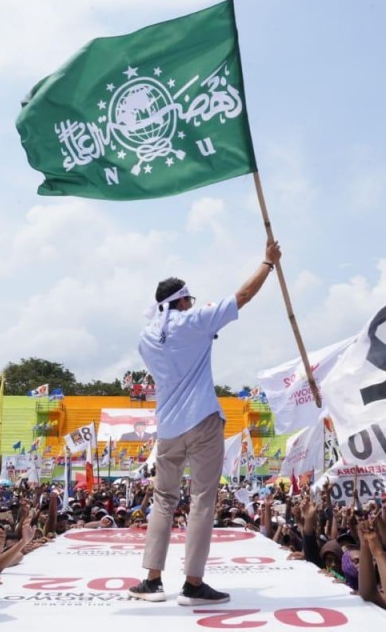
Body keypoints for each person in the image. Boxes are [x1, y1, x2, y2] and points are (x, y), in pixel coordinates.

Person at [128, 240, 282, 606]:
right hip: (201, 419)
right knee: (202, 499)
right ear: (182, 301)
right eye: (189, 300)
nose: (191, 305)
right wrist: (268, 263)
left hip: (166, 427)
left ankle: (152, 580)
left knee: (163, 500)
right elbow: (242, 296)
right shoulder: (194, 321)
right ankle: (193, 584)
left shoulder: (146, 338)